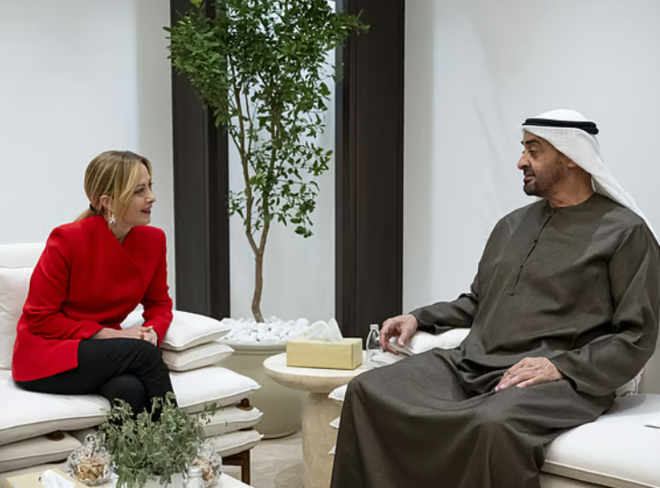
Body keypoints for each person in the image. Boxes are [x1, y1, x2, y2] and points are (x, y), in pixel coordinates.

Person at [330, 110, 660, 488]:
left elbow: (636, 336)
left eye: (533, 151)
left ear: (571, 157)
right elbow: (478, 301)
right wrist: (419, 318)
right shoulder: (511, 225)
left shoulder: (625, 233)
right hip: (472, 364)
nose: (521, 162)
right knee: (367, 390)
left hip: (558, 380)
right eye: (523, 150)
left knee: (492, 424)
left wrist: (561, 367)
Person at [12, 150, 175, 417]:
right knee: (144, 354)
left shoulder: (154, 240)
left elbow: (159, 303)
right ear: (108, 202)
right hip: (48, 354)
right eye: (139, 191)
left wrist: (153, 331)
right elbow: (41, 319)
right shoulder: (66, 240)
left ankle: (131, 449)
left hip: (101, 352)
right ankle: (180, 438)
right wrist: (109, 334)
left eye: (150, 186)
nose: (152, 197)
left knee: (130, 390)